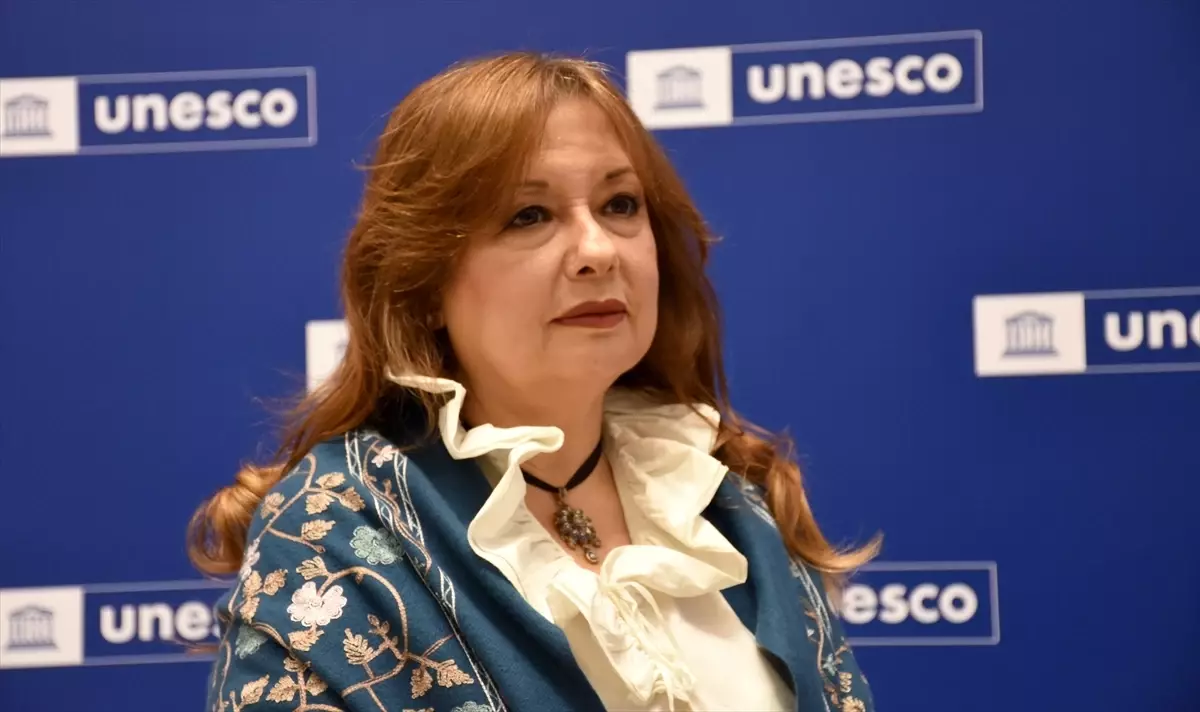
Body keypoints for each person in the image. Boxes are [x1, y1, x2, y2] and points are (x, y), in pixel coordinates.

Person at [189, 50, 881, 712]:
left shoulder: (727, 491)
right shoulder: (331, 535)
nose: (598, 251)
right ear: (421, 285)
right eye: (529, 216)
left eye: (620, 204)